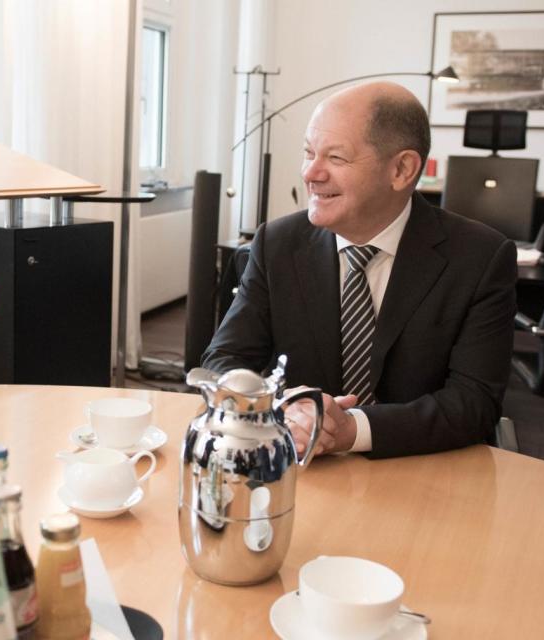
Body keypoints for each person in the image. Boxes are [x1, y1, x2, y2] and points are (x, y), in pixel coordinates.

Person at [203, 82, 516, 458]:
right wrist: (277, 406)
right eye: (308, 153)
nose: (311, 173)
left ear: (402, 169)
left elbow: (475, 402)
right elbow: (223, 361)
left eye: (335, 158)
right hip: (302, 468)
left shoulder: (480, 257)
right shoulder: (278, 244)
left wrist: (354, 430)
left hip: (422, 468)